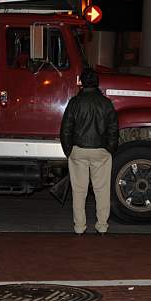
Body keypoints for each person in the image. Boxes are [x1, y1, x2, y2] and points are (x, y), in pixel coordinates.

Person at [60, 67, 119, 235]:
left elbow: (65, 129)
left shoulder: (74, 103)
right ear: (97, 83)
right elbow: (113, 130)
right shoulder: (106, 103)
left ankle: (79, 227)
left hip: (78, 150)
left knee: (79, 191)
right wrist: (110, 150)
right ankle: (102, 226)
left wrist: (69, 150)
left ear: (81, 83)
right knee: (101, 190)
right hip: (101, 151)